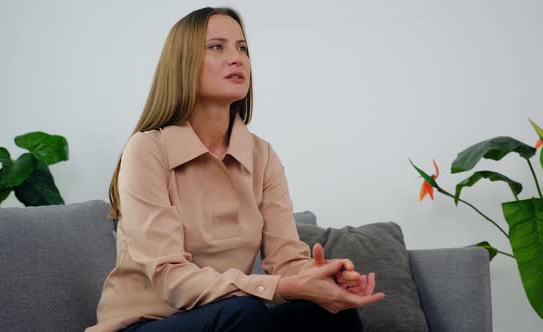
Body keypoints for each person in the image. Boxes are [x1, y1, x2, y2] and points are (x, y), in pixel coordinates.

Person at [86, 6, 384, 332]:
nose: (237, 57)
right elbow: (171, 280)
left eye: (242, 48)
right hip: (146, 324)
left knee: (329, 313)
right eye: (217, 47)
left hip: (230, 316)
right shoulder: (147, 149)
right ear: (183, 63)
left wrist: (321, 278)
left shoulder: (262, 155)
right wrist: (281, 288)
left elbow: (285, 259)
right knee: (243, 312)